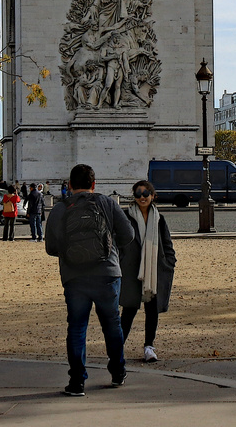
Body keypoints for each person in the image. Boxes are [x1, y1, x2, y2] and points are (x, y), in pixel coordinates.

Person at [47, 163, 136, 397]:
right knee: (112, 324)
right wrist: (108, 246)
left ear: (69, 185)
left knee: (77, 328)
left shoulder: (60, 208)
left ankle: (77, 382)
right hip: (107, 273)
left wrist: (73, 254)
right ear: (94, 185)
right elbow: (129, 235)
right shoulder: (107, 202)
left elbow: (50, 247)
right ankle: (118, 373)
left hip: (75, 277)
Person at [120, 180, 176, 363]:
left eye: (145, 193)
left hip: (154, 270)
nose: (142, 197)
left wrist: (169, 262)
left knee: (152, 311)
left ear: (153, 196)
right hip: (131, 270)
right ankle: (118, 347)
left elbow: (167, 243)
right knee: (128, 310)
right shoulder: (125, 216)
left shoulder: (159, 219)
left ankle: (149, 346)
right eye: (138, 194)